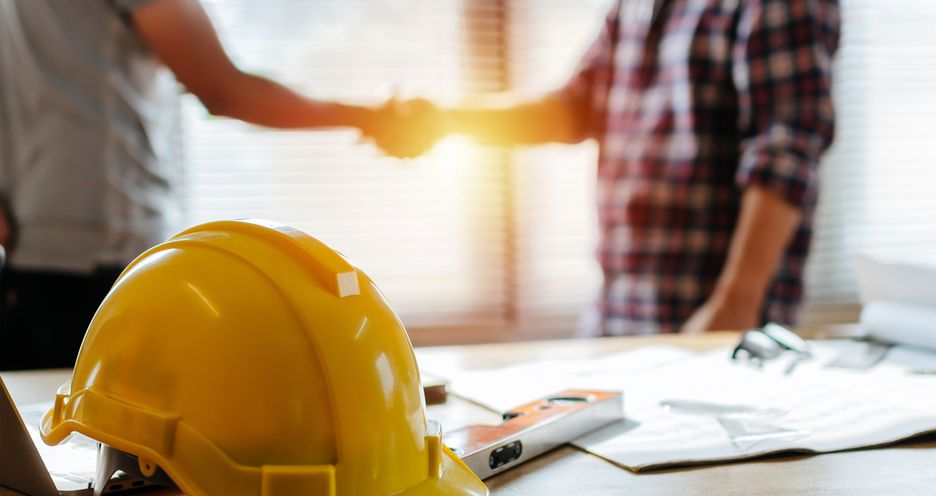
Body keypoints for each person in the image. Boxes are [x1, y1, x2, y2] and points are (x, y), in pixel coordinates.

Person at [0, 0, 430, 369]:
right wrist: (371, 118)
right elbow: (224, 89)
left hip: (33, 262)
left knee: (47, 453)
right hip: (105, 267)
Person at [368, 0, 840, 336]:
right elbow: (574, 108)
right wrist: (444, 120)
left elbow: (786, 147)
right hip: (619, 316)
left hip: (714, 321)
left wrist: (735, 305)